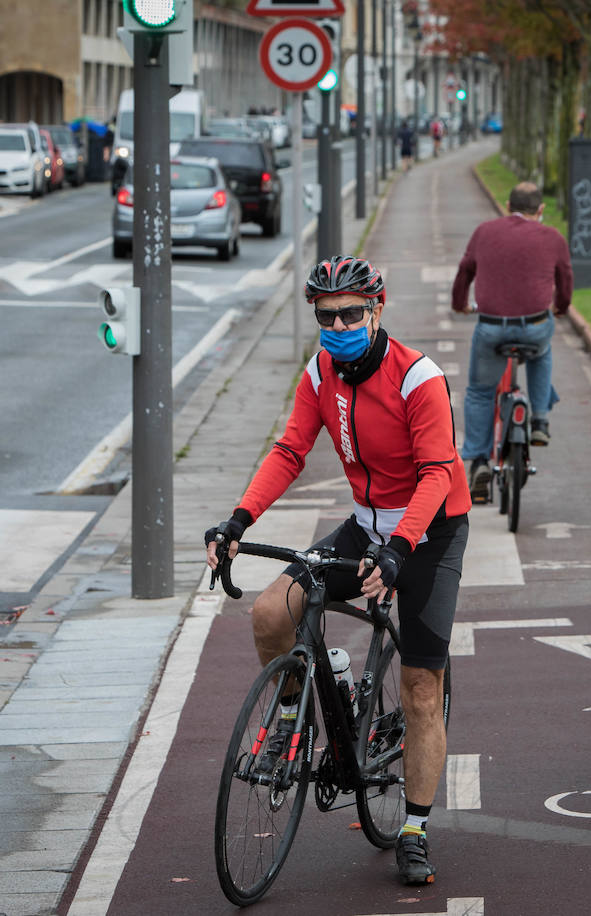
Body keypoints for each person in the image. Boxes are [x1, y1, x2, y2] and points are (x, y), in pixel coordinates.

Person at [205, 256, 470, 886]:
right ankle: (293, 728)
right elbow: (291, 448)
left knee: (420, 689)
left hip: (429, 534)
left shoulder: (417, 378)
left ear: (377, 311)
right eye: (328, 316)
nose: (340, 324)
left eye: (352, 313)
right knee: (273, 612)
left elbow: (438, 472)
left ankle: (413, 826)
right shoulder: (321, 371)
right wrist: (239, 520)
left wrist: (400, 548)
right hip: (366, 526)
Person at [451, 182, 573, 500]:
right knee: (542, 349)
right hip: (534, 325)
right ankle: (540, 421)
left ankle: (478, 459)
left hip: (491, 327)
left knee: (479, 391)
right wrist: (559, 308)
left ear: (507, 205)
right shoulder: (553, 237)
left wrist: (459, 304)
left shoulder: (484, 231)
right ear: (541, 210)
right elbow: (566, 279)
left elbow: (465, 270)